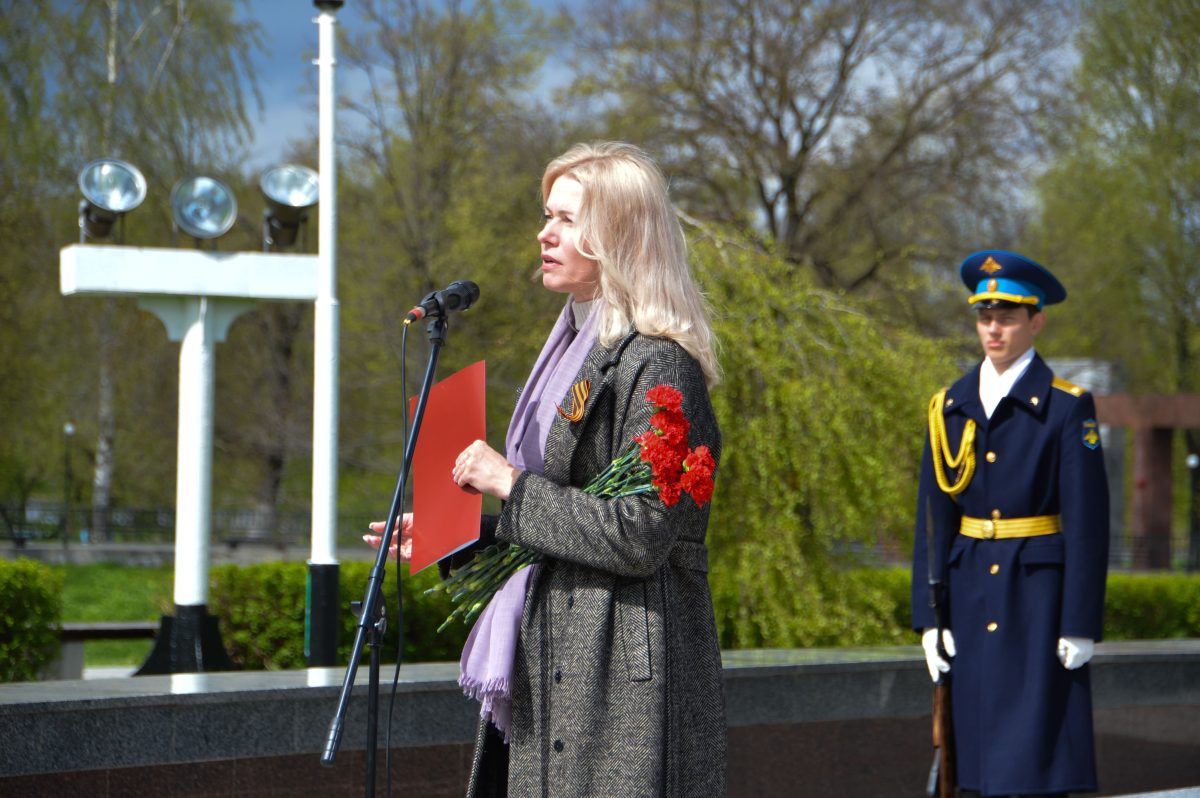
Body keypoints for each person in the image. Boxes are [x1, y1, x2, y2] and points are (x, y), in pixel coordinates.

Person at [367, 141, 726, 797]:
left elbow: (640, 533)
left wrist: (507, 483)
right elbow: (559, 515)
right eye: (546, 214)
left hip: (619, 665)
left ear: (617, 231)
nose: (544, 232)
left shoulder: (658, 361)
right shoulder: (567, 348)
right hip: (551, 650)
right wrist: (461, 536)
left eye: (565, 218)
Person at [911, 250, 1110, 797]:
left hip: (1037, 599)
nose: (993, 328)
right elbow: (933, 519)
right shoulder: (948, 406)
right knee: (969, 763)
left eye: (1008, 316)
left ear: (1036, 320)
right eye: (984, 316)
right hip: (969, 594)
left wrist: (1079, 621)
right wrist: (929, 617)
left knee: (1034, 761)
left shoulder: (1067, 407)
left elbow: (1089, 524)